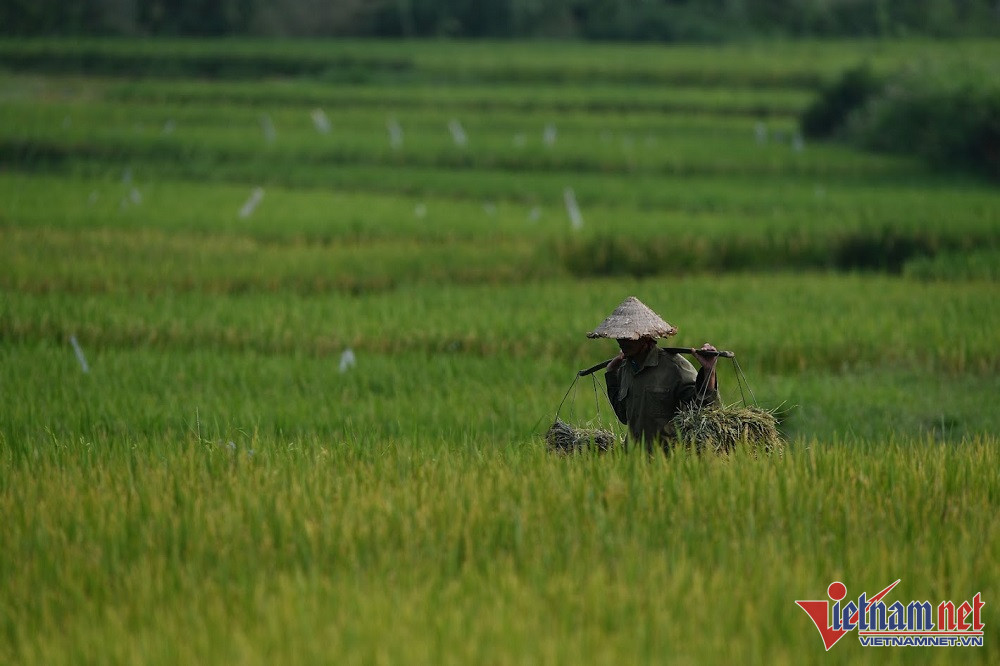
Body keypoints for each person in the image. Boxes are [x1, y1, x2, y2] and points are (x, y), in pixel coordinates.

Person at [587, 297, 719, 453]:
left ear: (645, 337)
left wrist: (709, 371)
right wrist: (611, 375)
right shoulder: (624, 368)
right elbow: (623, 415)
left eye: (628, 337)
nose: (621, 341)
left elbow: (705, 412)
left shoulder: (675, 367)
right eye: (619, 336)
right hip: (632, 460)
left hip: (667, 461)